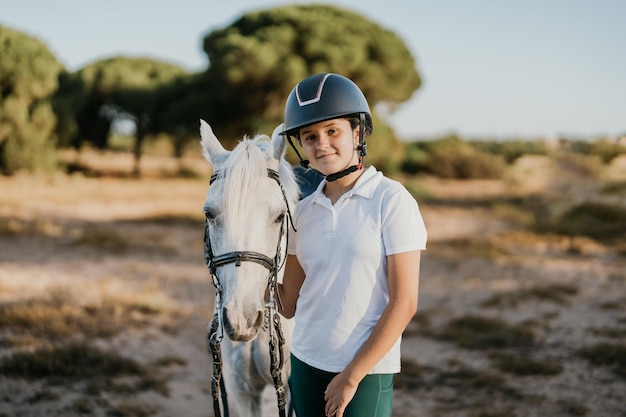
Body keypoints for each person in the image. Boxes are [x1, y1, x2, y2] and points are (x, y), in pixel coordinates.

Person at [275, 73, 427, 417]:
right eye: (309, 136)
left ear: (356, 133)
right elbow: (288, 304)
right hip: (304, 361)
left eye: (332, 131)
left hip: (365, 372)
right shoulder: (304, 210)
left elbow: (404, 303)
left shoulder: (391, 200)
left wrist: (351, 376)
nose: (321, 144)